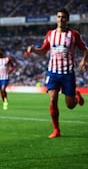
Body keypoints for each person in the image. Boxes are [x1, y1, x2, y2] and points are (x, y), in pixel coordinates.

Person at [25, 8, 87, 139]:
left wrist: (83, 60)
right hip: (53, 72)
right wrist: (34, 50)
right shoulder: (50, 34)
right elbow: (43, 51)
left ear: (67, 19)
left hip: (68, 73)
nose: (60, 19)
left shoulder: (74, 34)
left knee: (70, 106)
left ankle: (76, 97)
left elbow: (85, 49)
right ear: (56, 18)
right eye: (59, 16)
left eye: (63, 17)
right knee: (53, 100)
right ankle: (56, 130)